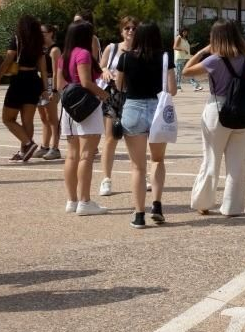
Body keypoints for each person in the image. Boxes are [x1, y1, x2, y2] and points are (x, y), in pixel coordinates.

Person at [183, 19, 245, 216]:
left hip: (218, 109)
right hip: (242, 110)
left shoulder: (214, 60)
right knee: (238, 162)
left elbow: (185, 72)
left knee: (211, 158)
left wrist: (201, 52)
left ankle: (203, 202)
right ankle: (232, 206)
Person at [117, 21, 176, 228]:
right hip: (157, 109)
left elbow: (118, 85)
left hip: (133, 109)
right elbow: (172, 89)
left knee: (137, 167)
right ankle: (157, 205)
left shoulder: (125, 57)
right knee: (158, 160)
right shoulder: (165, 57)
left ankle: (139, 214)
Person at [59, 20, 110, 216]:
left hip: (68, 106)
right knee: (87, 155)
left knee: (72, 154)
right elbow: (86, 82)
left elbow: (59, 83)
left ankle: (72, 200)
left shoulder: (64, 56)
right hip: (87, 105)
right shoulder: (83, 53)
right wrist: (105, 95)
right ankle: (85, 201)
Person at [0, 15, 48, 161]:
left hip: (19, 80)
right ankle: (24, 151)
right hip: (34, 80)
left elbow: (7, 61)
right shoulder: (39, 42)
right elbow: (43, 69)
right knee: (28, 120)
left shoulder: (17, 40)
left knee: (7, 118)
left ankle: (28, 143)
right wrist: (44, 89)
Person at [98, 17, 136, 196]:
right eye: (127, 28)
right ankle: (106, 179)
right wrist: (105, 71)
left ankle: (139, 175)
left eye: (133, 28)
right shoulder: (112, 48)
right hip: (112, 96)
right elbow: (101, 66)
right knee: (111, 138)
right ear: (121, 30)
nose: (130, 31)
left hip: (133, 96)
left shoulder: (140, 50)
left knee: (134, 138)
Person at [38, 23, 63, 161]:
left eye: (43, 32)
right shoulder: (41, 48)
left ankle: (55, 148)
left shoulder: (55, 50)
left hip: (49, 83)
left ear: (51, 33)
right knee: (43, 117)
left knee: (52, 118)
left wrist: (54, 89)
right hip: (40, 83)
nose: (41, 34)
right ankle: (45, 146)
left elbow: (56, 72)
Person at [173, 27, 201, 92]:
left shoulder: (185, 39)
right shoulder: (179, 37)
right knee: (179, 73)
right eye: (184, 31)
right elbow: (175, 47)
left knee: (189, 71)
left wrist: (193, 46)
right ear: (181, 32)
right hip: (180, 58)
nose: (185, 33)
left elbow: (186, 47)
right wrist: (183, 50)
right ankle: (178, 87)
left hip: (187, 58)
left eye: (186, 31)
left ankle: (196, 86)